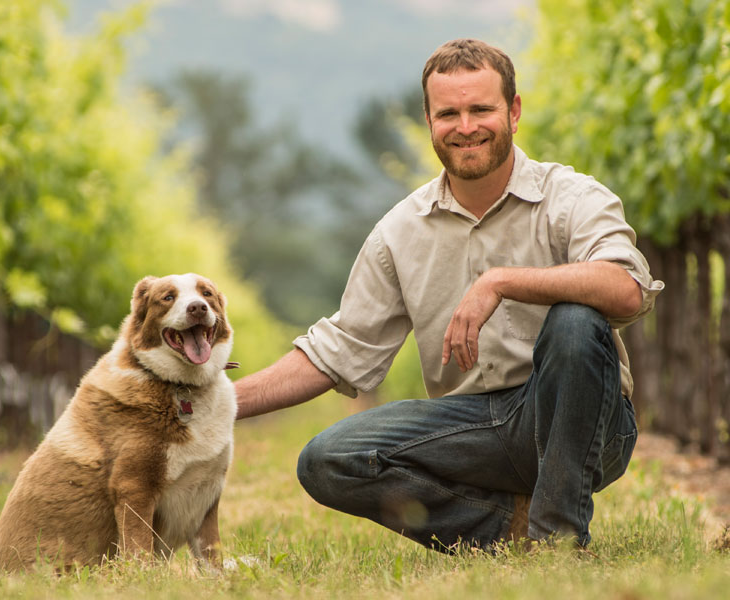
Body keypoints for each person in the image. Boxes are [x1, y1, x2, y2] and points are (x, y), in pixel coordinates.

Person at [234, 38, 664, 551]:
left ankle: (559, 541)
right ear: (429, 120)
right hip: (473, 428)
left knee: (575, 320)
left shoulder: (572, 197)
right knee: (327, 459)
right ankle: (509, 525)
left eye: (481, 108)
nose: (465, 127)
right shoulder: (399, 232)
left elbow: (626, 289)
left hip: (587, 423)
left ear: (514, 111)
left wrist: (501, 281)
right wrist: (220, 401)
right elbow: (339, 350)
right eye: (449, 113)